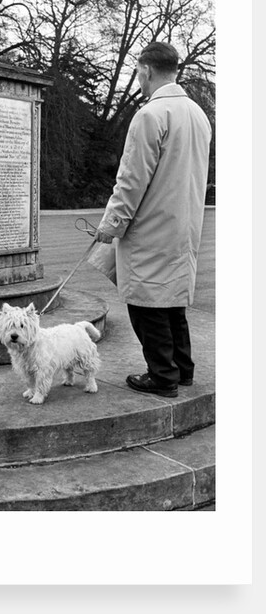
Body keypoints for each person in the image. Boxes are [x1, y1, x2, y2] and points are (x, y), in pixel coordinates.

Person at [94, 41, 212, 397]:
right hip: (185, 225)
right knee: (172, 299)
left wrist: (111, 224)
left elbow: (131, 179)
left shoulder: (150, 115)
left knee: (146, 303)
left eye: (138, 73)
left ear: (145, 70)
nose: (139, 79)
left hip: (151, 226)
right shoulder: (198, 114)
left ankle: (162, 376)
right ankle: (182, 369)